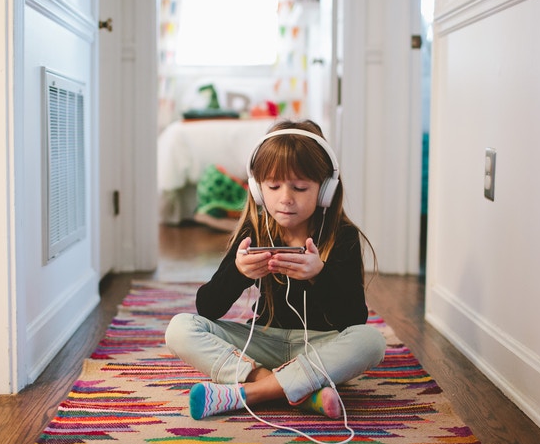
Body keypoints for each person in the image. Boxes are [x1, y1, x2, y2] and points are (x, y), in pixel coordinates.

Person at [164, 119, 386, 421]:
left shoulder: (341, 234)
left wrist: (318, 275)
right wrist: (239, 273)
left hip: (318, 347)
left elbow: (353, 319)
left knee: (371, 341)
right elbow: (207, 307)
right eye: (273, 186)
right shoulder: (252, 230)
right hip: (264, 342)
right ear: (257, 189)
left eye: (300, 187)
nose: (285, 198)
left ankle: (252, 392)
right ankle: (298, 392)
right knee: (180, 328)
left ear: (325, 190)